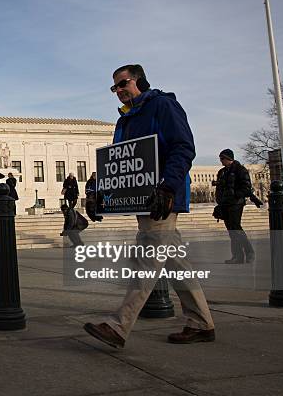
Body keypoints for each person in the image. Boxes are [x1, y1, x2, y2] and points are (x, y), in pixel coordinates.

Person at [83, 64, 215, 348]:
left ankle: (119, 325)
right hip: (143, 199)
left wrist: (168, 186)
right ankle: (201, 322)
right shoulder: (125, 120)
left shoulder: (163, 105)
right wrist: (102, 196)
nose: (118, 91)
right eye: (114, 87)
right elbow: (120, 166)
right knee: (176, 263)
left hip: (161, 198)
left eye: (123, 83)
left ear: (139, 81)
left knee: (146, 259)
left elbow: (183, 146)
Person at [214, 149, 255, 264]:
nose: (221, 161)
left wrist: (236, 195)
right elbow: (220, 188)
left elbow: (246, 187)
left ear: (228, 158)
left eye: (222, 158)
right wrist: (220, 200)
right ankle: (237, 256)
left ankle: (249, 252)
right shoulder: (222, 172)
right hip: (225, 204)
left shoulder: (240, 170)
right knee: (231, 230)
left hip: (236, 203)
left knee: (236, 228)